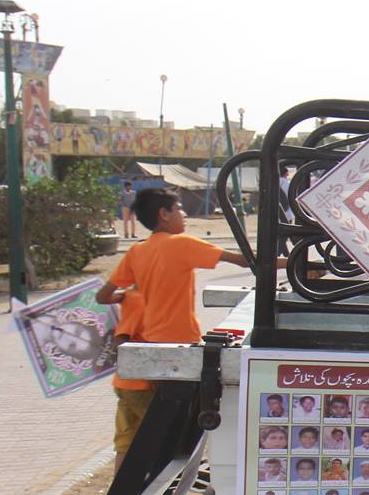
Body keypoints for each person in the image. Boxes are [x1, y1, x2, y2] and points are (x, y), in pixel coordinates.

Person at [96, 188, 253, 471]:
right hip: (178, 352)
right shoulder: (181, 244)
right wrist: (292, 263)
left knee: (131, 440)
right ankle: (160, 488)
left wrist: (124, 296)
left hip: (142, 358)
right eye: (179, 208)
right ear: (164, 214)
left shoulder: (137, 252)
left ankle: (126, 490)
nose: (184, 214)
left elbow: (103, 296)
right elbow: (243, 260)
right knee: (172, 433)